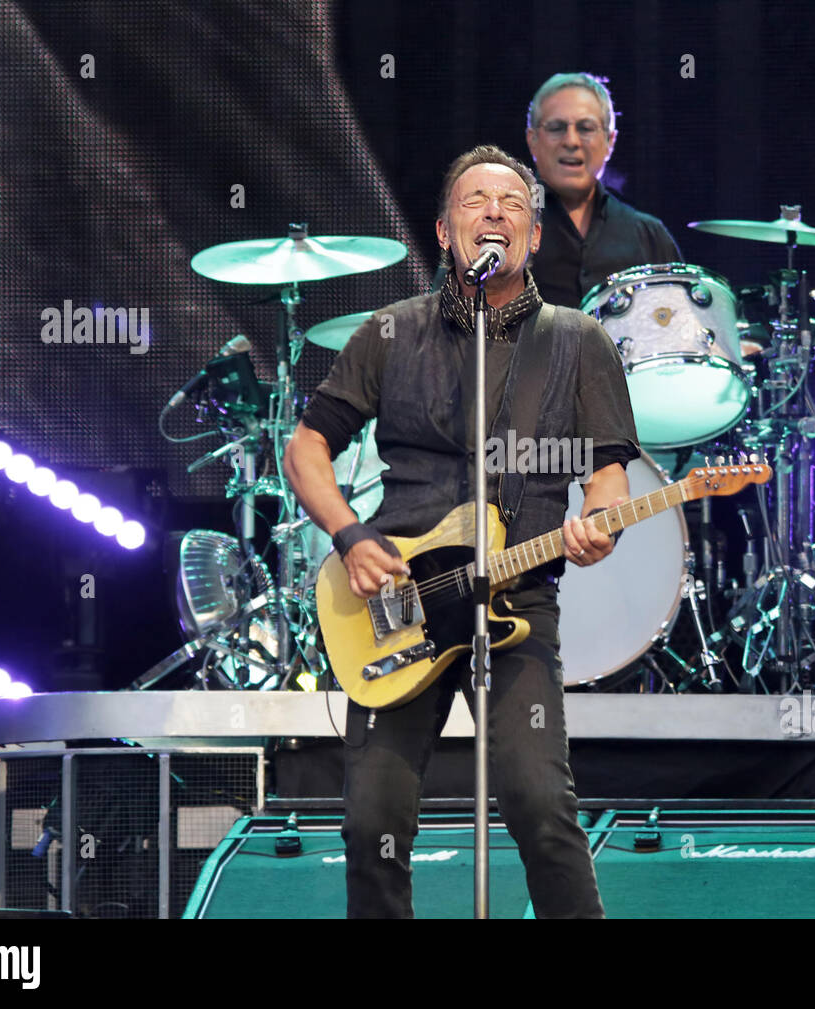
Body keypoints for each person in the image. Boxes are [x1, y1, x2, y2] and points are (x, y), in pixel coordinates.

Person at [283, 144, 640, 918]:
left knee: (542, 809)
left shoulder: (578, 341)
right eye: (476, 201)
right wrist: (348, 535)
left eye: (512, 204)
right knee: (371, 821)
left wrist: (600, 524)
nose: (494, 213)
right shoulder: (390, 332)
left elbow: (608, 471)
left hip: (516, 605)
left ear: (535, 236)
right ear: (446, 231)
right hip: (395, 600)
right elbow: (306, 444)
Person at [525, 72, 681, 309]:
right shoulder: (505, 226)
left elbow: (680, 331)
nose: (571, 141)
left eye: (586, 128)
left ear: (610, 141)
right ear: (533, 139)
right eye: (556, 128)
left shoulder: (650, 235)